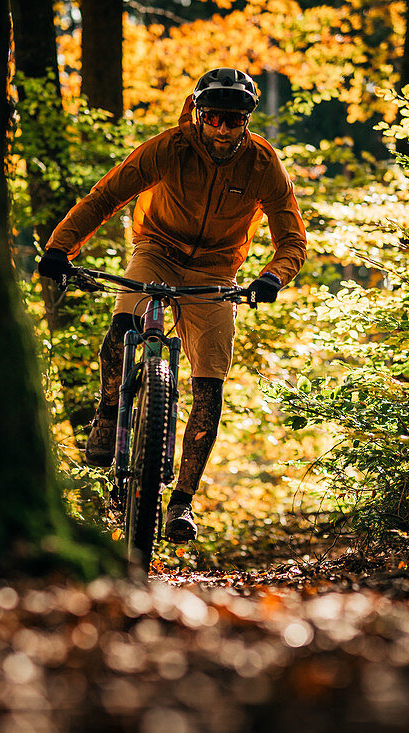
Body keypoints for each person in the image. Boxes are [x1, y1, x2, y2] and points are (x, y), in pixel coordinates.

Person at [37, 68, 307, 544]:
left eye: (234, 119)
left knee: (210, 384)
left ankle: (182, 501)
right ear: (198, 114)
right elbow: (106, 196)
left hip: (217, 271)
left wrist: (271, 277)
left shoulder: (263, 163)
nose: (222, 128)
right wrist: (60, 248)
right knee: (123, 330)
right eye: (214, 117)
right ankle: (107, 413)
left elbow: (291, 239)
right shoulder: (169, 147)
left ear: (246, 120)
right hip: (157, 249)